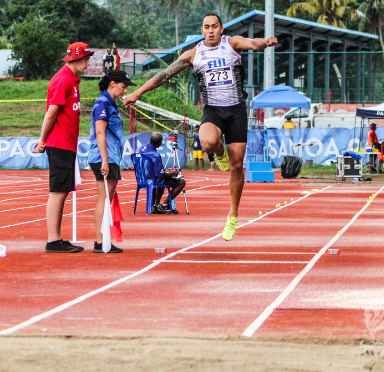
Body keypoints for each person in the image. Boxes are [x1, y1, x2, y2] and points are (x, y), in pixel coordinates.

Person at [125, 13, 277, 240]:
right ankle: (218, 152)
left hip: (236, 110)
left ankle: (233, 216)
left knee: (237, 166)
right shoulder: (194, 54)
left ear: (221, 28)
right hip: (213, 110)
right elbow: (163, 75)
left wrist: (265, 43)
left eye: (215, 26)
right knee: (207, 142)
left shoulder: (231, 44)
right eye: (207, 27)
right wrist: (137, 93)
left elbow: (252, 43)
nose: (211, 30)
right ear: (202, 30)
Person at [34, 42, 93, 253]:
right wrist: (43, 140)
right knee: (58, 191)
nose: (88, 62)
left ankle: (57, 238)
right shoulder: (63, 80)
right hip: (59, 143)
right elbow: (51, 113)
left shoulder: (72, 80)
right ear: (75, 58)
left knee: (63, 190)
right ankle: (53, 240)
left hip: (67, 143)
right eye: (86, 58)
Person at [88, 70, 136, 253]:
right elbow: (100, 132)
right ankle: (100, 241)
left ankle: (102, 239)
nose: (125, 90)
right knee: (103, 198)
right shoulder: (103, 103)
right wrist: (105, 161)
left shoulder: (111, 103)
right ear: (112, 84)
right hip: (104, 156)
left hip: (111, 155)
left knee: (105, 198)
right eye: (123, 87)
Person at [138, 133, 186, 214]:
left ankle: (156, 205)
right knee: (181, 182)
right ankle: (164, 205)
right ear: (160, 143)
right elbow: (160, 175)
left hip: (141, 178)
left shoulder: (140, 148)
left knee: (162, 177)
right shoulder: (155, 155)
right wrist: (172, 174)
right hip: (152, 179)